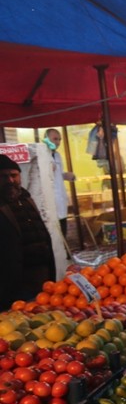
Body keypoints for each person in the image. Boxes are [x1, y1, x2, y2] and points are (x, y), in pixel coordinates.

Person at [0, 154, 56, 307]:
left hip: (41, 275)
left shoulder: (27, 199)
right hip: (12, 281)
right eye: (4, 176)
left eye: (14, 175)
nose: (10, 181)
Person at [43, 129, 75, 241]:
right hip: (49, 201)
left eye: (59, 139)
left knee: (63, 231)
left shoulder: (57, 155)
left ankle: (64, 255)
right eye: (55, 139)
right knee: (53, 235)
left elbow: (56, 176)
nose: (58, 142)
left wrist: (65, 175)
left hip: (60, 199)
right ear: (46, 139)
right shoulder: (41, 155)